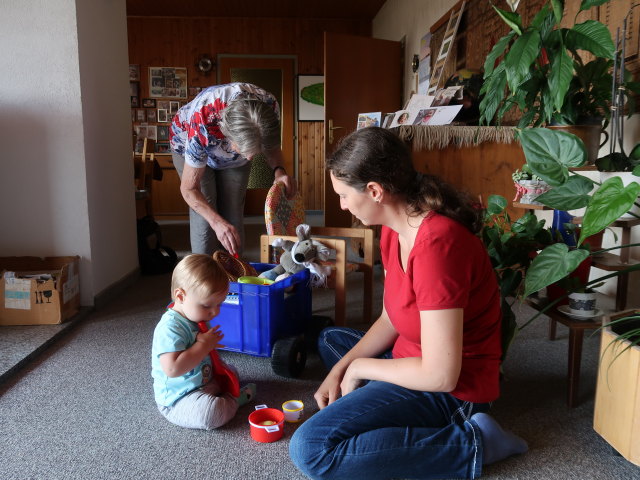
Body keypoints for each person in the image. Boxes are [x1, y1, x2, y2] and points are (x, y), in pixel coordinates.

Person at [289, 127, 527, 479]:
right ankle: (381, 407)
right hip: (410, 356)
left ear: (375, 191)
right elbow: (390, 318)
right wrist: (342, 369)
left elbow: (440, 374)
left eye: (342, 194)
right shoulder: (394, 227)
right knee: (330, 342)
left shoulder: (437, 246)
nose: (341, 204)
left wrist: (358, 369)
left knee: (310, 448)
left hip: (455, 388)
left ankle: (475, 441)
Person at [170, 82, 297, 256]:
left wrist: (280, 171)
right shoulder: (203, 118)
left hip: (228, 154)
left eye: (255, 152)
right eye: (245, 150)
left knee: (233, 210)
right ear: (226, 134)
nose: (251, 158)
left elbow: (271, 145)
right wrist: (217, 223)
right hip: (189, 145)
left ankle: (234, 272)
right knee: (206, 217)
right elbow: (189, 189)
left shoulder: (270, 107)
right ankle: (204, 277)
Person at [151, 254, 256, 430]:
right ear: (180, 296)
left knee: (232, 372)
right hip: (179, 398)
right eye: (207, 306)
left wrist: (210, 348)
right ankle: (234, 400)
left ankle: (224, 392)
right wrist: (203, 346)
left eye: (219, 305)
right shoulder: (170, 328)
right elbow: (172, 369)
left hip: (202, 381)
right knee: (210, 414)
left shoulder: (193, 315)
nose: (214, 312)